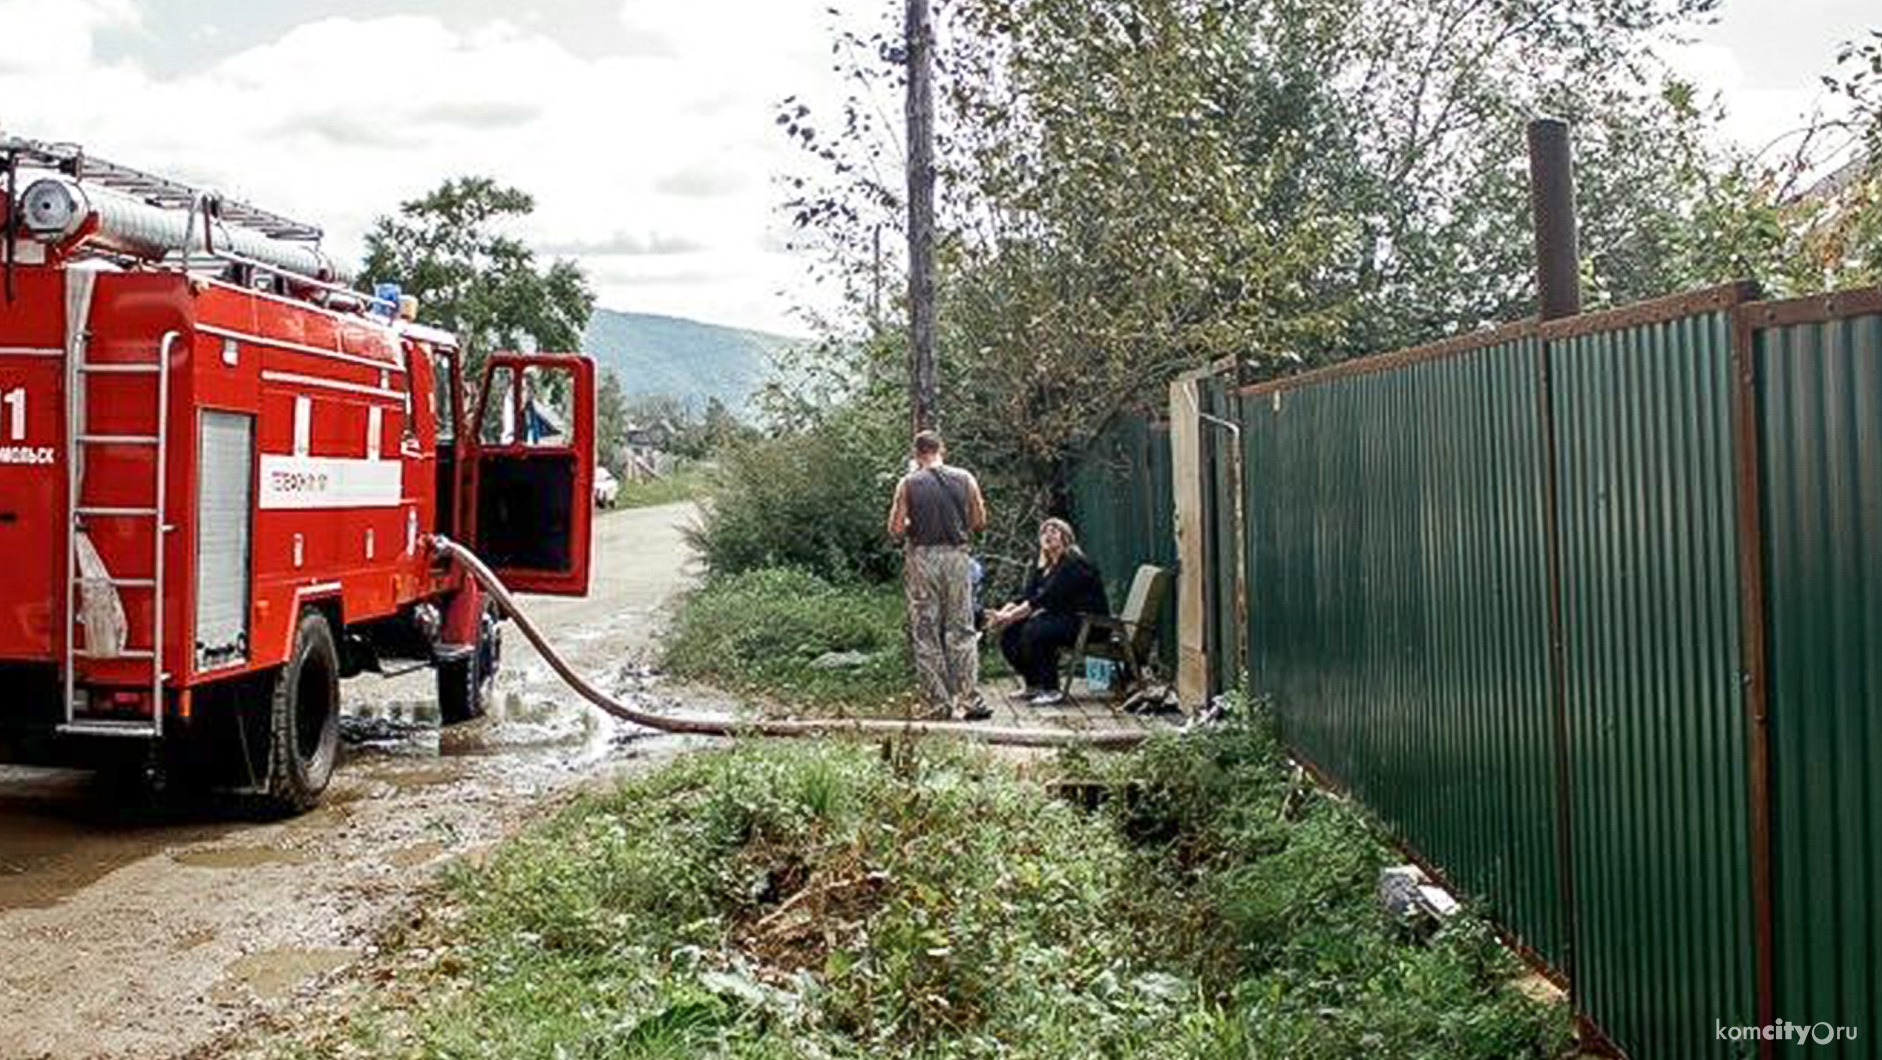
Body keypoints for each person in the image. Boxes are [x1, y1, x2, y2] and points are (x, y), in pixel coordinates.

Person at [886, 430, 991, 720]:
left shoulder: (907, 483)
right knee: (962, 627)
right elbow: (979, 521)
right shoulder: (965, 478)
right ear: (941, 449)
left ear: (916, 453)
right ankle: (970, 700)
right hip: (957, 556)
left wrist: (912, 521)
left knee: (926, 630)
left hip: (923, 558)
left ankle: (938, 704)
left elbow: (895, 529)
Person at [986, 518, 1108, 706]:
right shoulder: (1045, 567)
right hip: (1065, 620)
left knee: (1036, 630)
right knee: (1011, 631)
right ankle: (1034, 684)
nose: (1048, 534)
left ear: (1065, 537)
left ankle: (1051, 689)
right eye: (1044, 532)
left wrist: (1009, 616)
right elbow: (1026, 597)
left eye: (1054, 530)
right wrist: (1003, 614)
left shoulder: (1073, 563)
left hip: (1088, 624)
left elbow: (1042, 600)